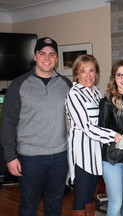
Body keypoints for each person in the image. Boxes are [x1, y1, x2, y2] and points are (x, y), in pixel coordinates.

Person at [1, 37, 72, 216]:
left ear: (56, 58)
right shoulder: (18, 85)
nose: (47, 58)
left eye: (51, 54)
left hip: (59, 156)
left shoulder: (66, 84)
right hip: (29, 158)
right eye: (42, 54)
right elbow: (8, 123)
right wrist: (10, 157)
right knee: (28, 204)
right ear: (35, 56)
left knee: (55, 202)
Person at [65, 54, 123, 216]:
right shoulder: (74, 94)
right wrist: (113, 135)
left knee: (91, 195)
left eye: (92, 70)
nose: (88, 75)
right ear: (76, 73)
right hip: (82, 152)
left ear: (96, 72)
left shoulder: (96, 92)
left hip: (96, 150)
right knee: (81, 196)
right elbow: (87, 127)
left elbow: (104, 120)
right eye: (83, 71)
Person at [98, 60, 123, 216]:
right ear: (114, 78)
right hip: (112, 158)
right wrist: (117, 137)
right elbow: (101, 131)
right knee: (116, 202)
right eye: (119, 75)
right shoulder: (107, 102)